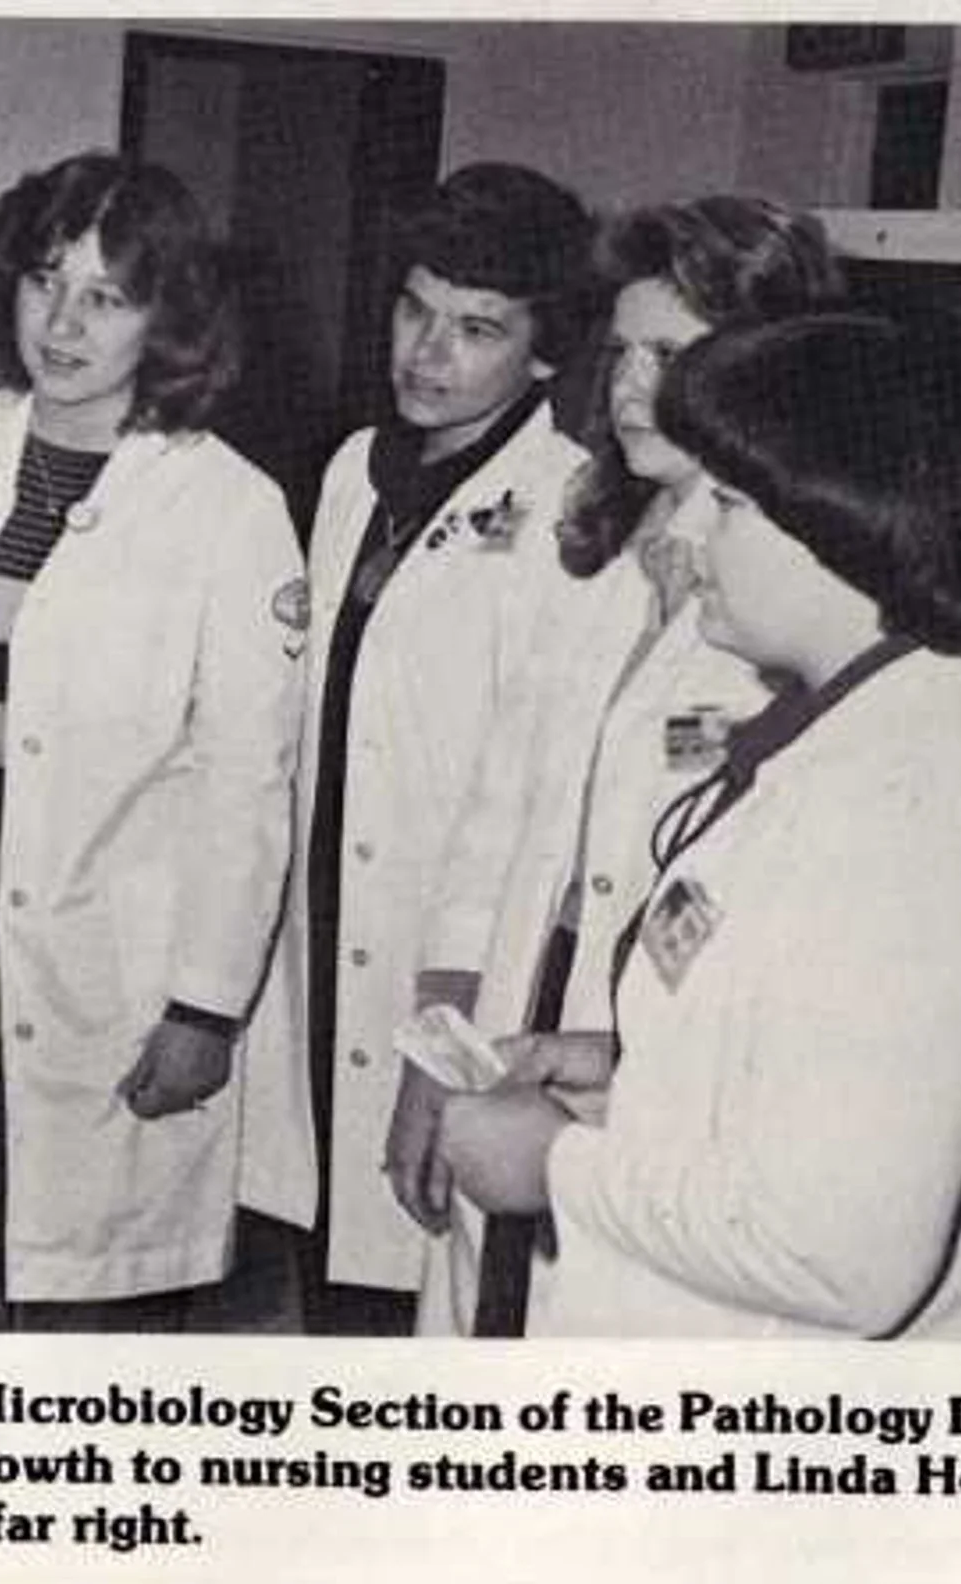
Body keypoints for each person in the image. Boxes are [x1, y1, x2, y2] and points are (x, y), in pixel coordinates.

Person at [434, 308, 961, 1339]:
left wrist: (555, 1164)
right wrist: (639, 1070)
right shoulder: (867, 730)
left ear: (851, 519)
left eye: (726, 501)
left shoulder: (923, 818)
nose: (681, 532)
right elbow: (828, 1072)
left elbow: (842, 1252)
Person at [399, 196, 843, 1335]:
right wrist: (435, 1053)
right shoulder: (588, 534)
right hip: (520, 1005)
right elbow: (495, 818)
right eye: (624, 351)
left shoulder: (802, 596)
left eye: (674, 356)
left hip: (659, 1067)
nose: (633, 385)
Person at [0, 152, 309, 1330]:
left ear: (166, 319)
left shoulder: (226, 507)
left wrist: (205, 1007)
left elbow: (247, 779)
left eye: (107, 296)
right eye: (43, 280)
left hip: (116, 968)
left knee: (90, 1329)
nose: (62, 323)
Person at [238, 163, 595, 1335]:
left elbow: (523, 809)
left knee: (415, 1304)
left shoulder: (570, 510)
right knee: (325, 1268)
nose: (428, 352)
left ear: (545, 353)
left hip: (450, 968)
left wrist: (443, 1046)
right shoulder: (356, 468)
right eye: (414, 310)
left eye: (477, 329)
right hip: (327, 925)